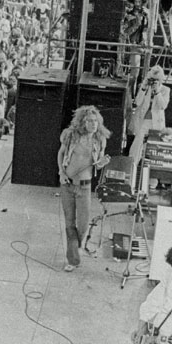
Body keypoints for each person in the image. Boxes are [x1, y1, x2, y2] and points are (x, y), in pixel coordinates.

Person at [56, 105, 111, 272]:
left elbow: (99, 163)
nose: (93, 124)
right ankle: (73, 259)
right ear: (82, 122)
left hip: (85, 187)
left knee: (83, 225)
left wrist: (101, 163)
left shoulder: (100, 139)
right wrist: (61, 172)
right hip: (67, 184)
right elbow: (61, 153)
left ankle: (75, 248)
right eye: (89, 121)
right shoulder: (70, 136)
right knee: (69, 222)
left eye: (95, 121)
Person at [126, 65, 170, 164]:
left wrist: (157, 91)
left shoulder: (165, 90)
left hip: (156, 123)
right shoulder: (145, 87)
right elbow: (137, 102)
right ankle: (132, 164)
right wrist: (143, 88)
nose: (153, 82)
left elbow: (163, 106)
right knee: (137, 145)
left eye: (156, 80)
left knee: (153, 147)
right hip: (143, 121)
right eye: (152, 79)